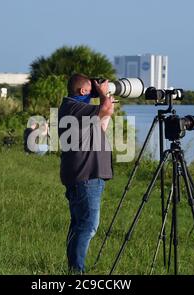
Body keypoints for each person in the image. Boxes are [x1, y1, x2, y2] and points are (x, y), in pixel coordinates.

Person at [58, 73, 115, 273]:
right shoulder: (74, 107)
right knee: (89, 225)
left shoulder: (73, 108)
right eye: (92, 90)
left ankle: (73, 268)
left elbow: (102, 123)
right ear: (83, 91)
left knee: (78, 224)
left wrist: (105, 99)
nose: (94, 94)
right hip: (86, 176)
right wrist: (103, 94)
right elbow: (106, 108)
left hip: (81, 175)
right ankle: (77, 270)